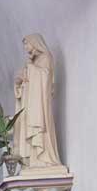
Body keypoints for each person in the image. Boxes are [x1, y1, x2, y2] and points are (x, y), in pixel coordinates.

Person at [14, 34, 63, 170]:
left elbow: (45, 77)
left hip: (40, 104)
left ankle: (45, 159)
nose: (25, 47)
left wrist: (30, 68)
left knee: (39, 127)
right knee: (29, 126)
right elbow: (24, 80)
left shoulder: (45, 57)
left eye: (27, 44)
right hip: (31, 104)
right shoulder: (33, 62)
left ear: (35, 43)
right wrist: (19, 82)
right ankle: (34, 160)